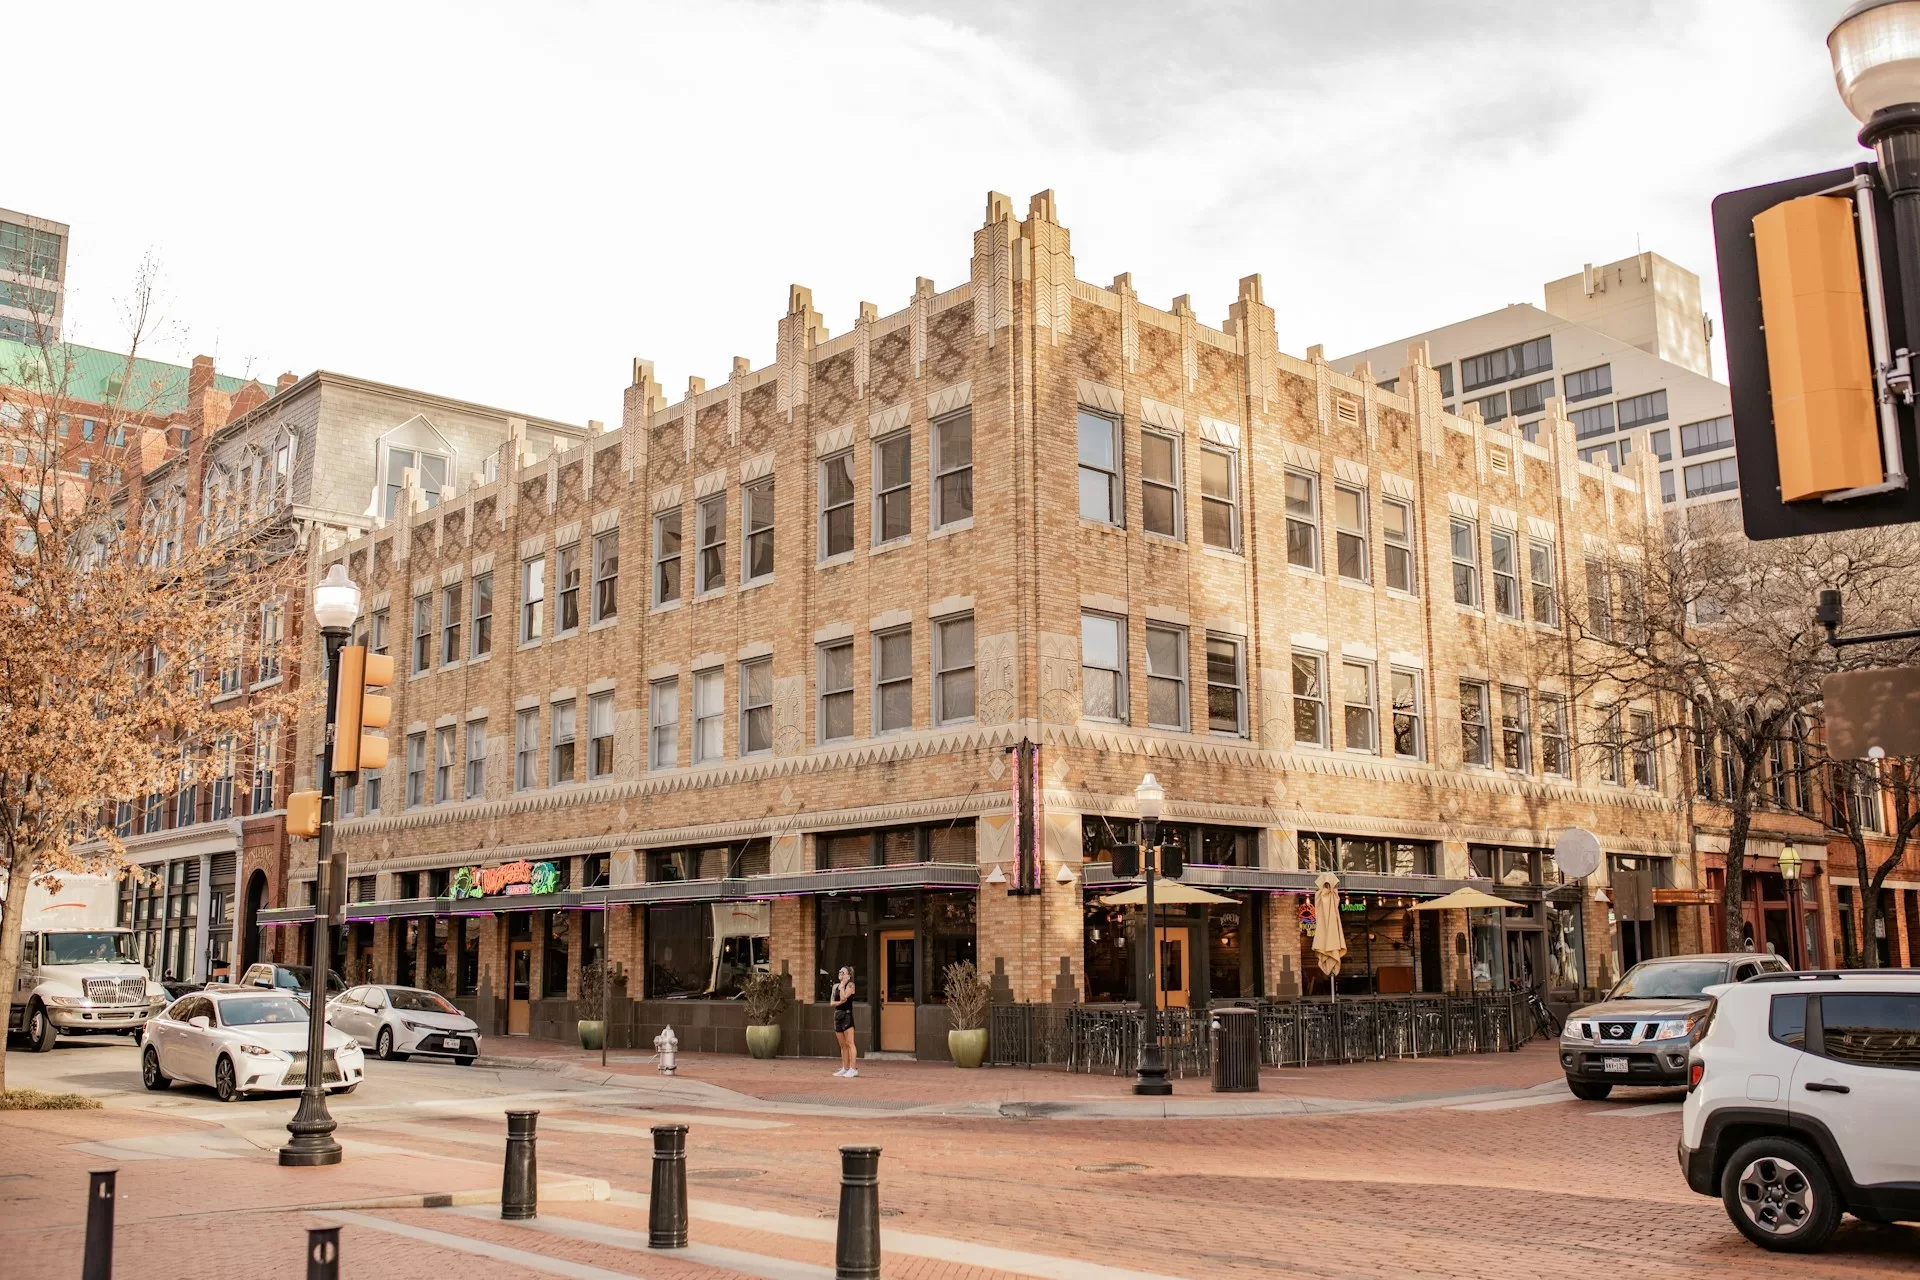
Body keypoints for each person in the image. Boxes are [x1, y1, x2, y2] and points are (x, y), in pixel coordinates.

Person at [831, 965, 858, 1078]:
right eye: (840, 971)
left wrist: (843, 985)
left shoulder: (851, 985)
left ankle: (853, 1069)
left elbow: (844, 997)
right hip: (838, 1015)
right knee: (842, 1045)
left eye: (843, 972)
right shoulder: (835, 986)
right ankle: (845, 1067)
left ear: (848, 975)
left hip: (847, 1015)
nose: (840, 973)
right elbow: (832, 1003)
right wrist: (840, 1001)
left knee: (849, 1043)